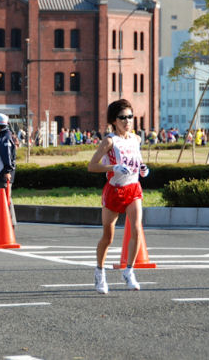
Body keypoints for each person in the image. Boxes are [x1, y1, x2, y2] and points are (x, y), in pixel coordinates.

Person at [87, 99, 148, 294]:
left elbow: (137, 162)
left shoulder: (136, 139)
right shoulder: (110, 141)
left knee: (137, 228)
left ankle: (129, 271)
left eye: (130, 117)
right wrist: (113, 167)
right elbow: (92, 166)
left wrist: (143, 169)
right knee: (108, 236)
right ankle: (99, 272)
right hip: (114, 190)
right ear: (114, 120)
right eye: (123, 117)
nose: (127, 121)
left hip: (133, 188)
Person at [0, 113, 17, 227]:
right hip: (0, 174)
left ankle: (9, 223)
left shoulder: (4, 138)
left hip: (3, 174)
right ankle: (0, 222)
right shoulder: (2, 136)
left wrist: (7, 171)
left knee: (4, 199)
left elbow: (7, 156)